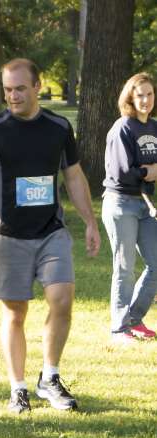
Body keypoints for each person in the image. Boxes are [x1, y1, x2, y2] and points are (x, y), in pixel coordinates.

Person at [0, 58, 100, 413]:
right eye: (7, 90)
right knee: (15, 312)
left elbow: (73, 176)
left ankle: (50, 378)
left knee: (62, 300)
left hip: (51, 231)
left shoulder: (58, 127)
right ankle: (18, 388)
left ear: (38, 86)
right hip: (6, 235)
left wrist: (89, 221)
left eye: (20, 88)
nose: (13, 96)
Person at [102, 72, 157, 343]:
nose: (145, 100)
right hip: (121, 203)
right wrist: (150, 171)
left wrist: (149, 172)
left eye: (149, 94)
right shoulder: (123, 128)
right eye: (140, 95)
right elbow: (123, 172)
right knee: (125, 267)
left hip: (146, 206)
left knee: (156, 264)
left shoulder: (154, 128)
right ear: (130, 98)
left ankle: (133, 319)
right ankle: (119, 328)